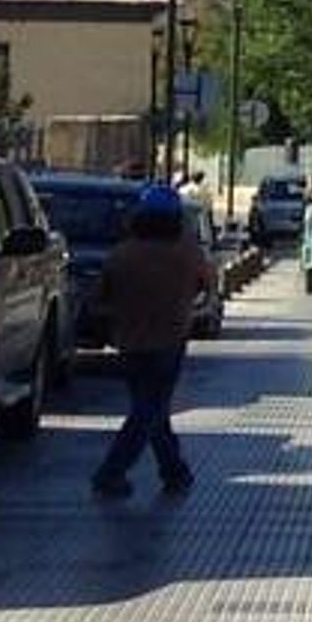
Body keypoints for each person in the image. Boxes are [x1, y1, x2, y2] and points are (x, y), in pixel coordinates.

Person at [89, 183, 217, 500]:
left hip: (130, 341)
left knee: (149, 408)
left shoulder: (123, 254)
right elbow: (206, 286)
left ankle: (174, 470)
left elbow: (100, 298)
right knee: (150, 410)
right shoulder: (187, 252)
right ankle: (111, 472)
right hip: (170, 340)